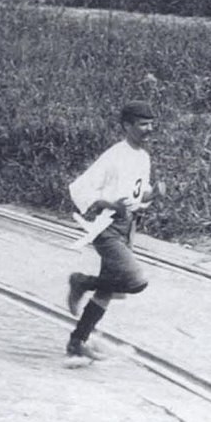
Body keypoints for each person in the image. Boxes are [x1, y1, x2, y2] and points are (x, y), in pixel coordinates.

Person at [65, 100, 164, 362]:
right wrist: (110, 204)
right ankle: (81, 282)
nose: (149, 129)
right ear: (126, 126)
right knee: (136, 281)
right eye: (143, 124)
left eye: (151, 124)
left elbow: (138, 193)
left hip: (128, 225)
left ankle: (77, 341)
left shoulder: (143, 156)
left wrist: (154, 194)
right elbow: (81, 189)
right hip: (107, 225)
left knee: (108, 291)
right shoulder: (114, 156)